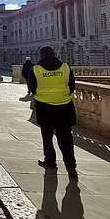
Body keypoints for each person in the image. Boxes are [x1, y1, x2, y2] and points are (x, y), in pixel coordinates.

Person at [27, 46, 78, 180]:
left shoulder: (36, 69)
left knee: (47, 137)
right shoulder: (65, 67)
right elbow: (72, 85)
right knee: (66, 138)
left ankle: (50, 160)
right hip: (64, 107)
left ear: (41, 55)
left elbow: (33, 88)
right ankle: (71, 165)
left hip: (45, 108)